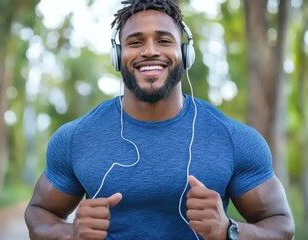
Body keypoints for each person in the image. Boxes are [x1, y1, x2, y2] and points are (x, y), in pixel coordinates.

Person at [24, 0, 295, 239]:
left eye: (164, 40)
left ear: (185, 54)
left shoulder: (235, 139)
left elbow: (281, 227)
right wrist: (71, 233)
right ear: (118, 56)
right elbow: (39, 213)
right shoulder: (75, 138)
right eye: (135, 42)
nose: (150, 51)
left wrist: (228, 230)